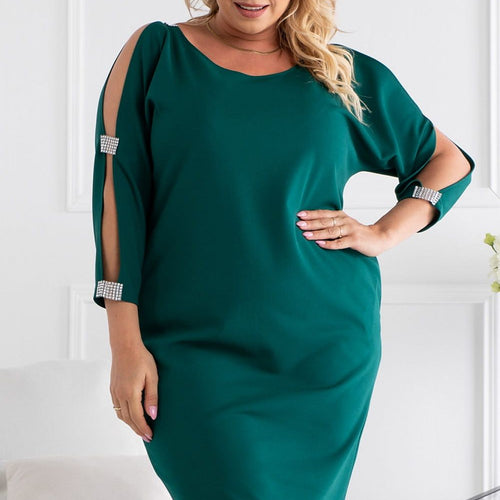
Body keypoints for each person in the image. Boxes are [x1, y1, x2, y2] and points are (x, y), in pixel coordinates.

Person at [91, 1, 475, 498]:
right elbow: (118, 194)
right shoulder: (156, 53)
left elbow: (446, 160)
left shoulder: (338, 72)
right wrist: (124, 345)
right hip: (191, 351)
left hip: (322, 349)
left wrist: (383, 232)